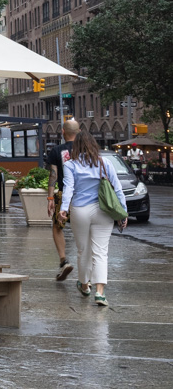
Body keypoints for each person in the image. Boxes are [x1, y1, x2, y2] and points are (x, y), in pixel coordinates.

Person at [59, 131, 128, 308]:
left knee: (83, 250)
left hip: (80, 210)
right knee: (100, 252)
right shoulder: (104, 163)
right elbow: (118, 189)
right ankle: (100, 292)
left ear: (76, 147)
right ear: (93, 145)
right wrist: (123, 213)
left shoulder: (70, 164)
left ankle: (84, 285)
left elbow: (68, 188)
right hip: (103, 211)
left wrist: (63, 209)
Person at [46, 118, 80, 281]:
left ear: (63, 132)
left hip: (63, 194)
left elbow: (53, 175)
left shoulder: (56, 151)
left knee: (57, 227)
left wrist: (50, 197)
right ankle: (86, 264)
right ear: (78, 132)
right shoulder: (86, 150)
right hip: (83, 195)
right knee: (83, 229)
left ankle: (63, 260)